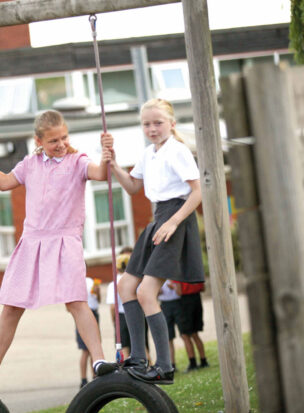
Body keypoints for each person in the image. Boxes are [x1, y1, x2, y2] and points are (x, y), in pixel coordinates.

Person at [0, 110, 117, 389]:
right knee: (11, 308)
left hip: (65, 241)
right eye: (53, 140)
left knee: (76, 302)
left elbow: (100, 174)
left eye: (64, 138)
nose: (61, 144)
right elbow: (4, 183)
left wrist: (107, 155)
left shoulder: (77, 161)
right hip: (32, 242)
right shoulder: (30, 164)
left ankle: (99, 361)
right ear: (39, 140)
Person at [109, 98, 204, 384]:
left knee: (146, 293)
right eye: (146, 124)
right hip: (157, 220)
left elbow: (198, 192)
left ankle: (164, 366)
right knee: (126, 285)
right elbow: (132, 187)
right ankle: (138, 357)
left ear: (172, 124)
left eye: (158, 123)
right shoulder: (149, 153)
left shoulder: (178, 151)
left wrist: (174, 222)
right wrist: (113, 164)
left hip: (174, 219)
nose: (152, 128)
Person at [105, 250, 151, 362]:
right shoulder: (137, 281)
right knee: (142, 346)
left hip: (121, 316)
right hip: (138, 314)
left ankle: (126, 373)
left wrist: (114, 321)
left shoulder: (113, 284)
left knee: (124, 348)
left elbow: (112, 306)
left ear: (117, 267)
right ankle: (150, 368)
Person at [173, 281, 209, 372]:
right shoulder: (196, 269)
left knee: (185, 334)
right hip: (197, 299)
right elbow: (203, 288)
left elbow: (179, 292)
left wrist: (172, 287)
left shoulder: (179, 271)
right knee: (195, 334)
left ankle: (192, 363)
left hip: (185, 302)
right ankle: (203, 360)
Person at [77, 276, 101, 388]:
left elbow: (98, 299)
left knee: (94, 348)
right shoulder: (75, 281)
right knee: (85, 351)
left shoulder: (91, 281)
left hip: (94, 313)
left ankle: (95, 375)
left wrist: (98, 292)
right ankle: (83, 379)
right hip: (83, 314)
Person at [158, 281, 182, 372]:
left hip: (177, 303)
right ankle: (172, 364)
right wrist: (158, 290)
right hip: (164, 305)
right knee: (168, 337)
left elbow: (179, 292)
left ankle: (193, 361)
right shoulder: (158, 276)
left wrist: (174, 287)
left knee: (184, 334)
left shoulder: (174, 276)